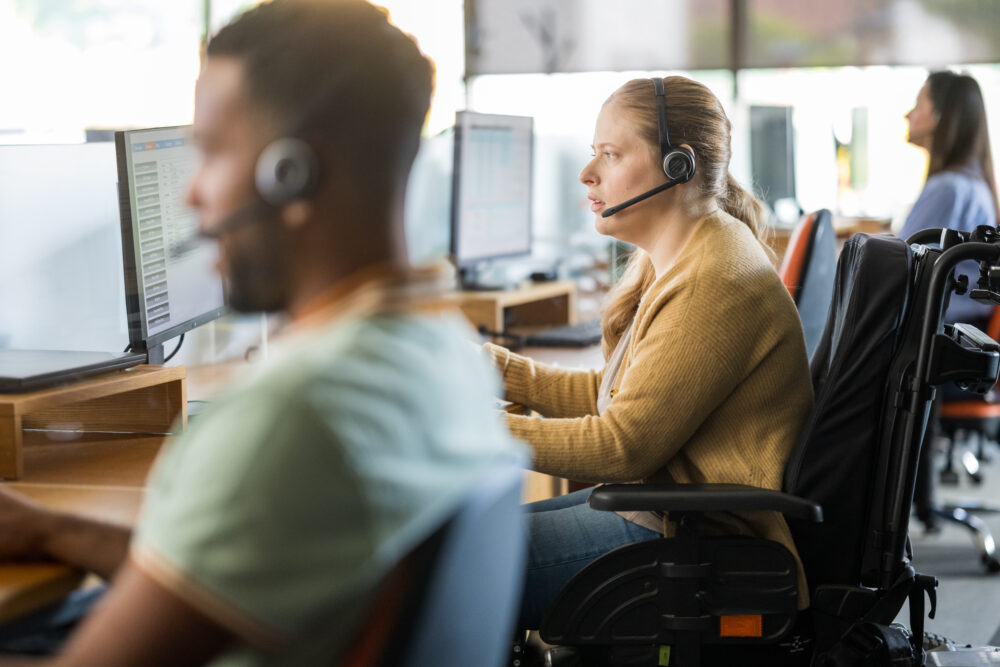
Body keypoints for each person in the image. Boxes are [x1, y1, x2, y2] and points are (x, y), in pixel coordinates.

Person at [0, 1, 522, 665]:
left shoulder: (294, 412)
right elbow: (221, 578)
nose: (193, 194)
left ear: (293, 173)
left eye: (213, 152)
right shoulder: (441, 351)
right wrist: (52, 530)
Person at [485, 75, 814, 631]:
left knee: (435, 567)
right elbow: (613, 397)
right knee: (453, 543)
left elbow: (621, 447)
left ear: (679, 166)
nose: (588, 174)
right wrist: (501, 371)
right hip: (663, 511)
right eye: (594, 154)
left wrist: (471, 430)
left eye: (610, 155)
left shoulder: (715, 279)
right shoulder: (693, 254)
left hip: (694, 535)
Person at [900, 70, 999, 327]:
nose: (908, 115)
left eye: (919, 104)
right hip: (958, 329)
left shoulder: (947, 188)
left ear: (939, 117)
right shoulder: (971, 185)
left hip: (937, 333)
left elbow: (898, 269)